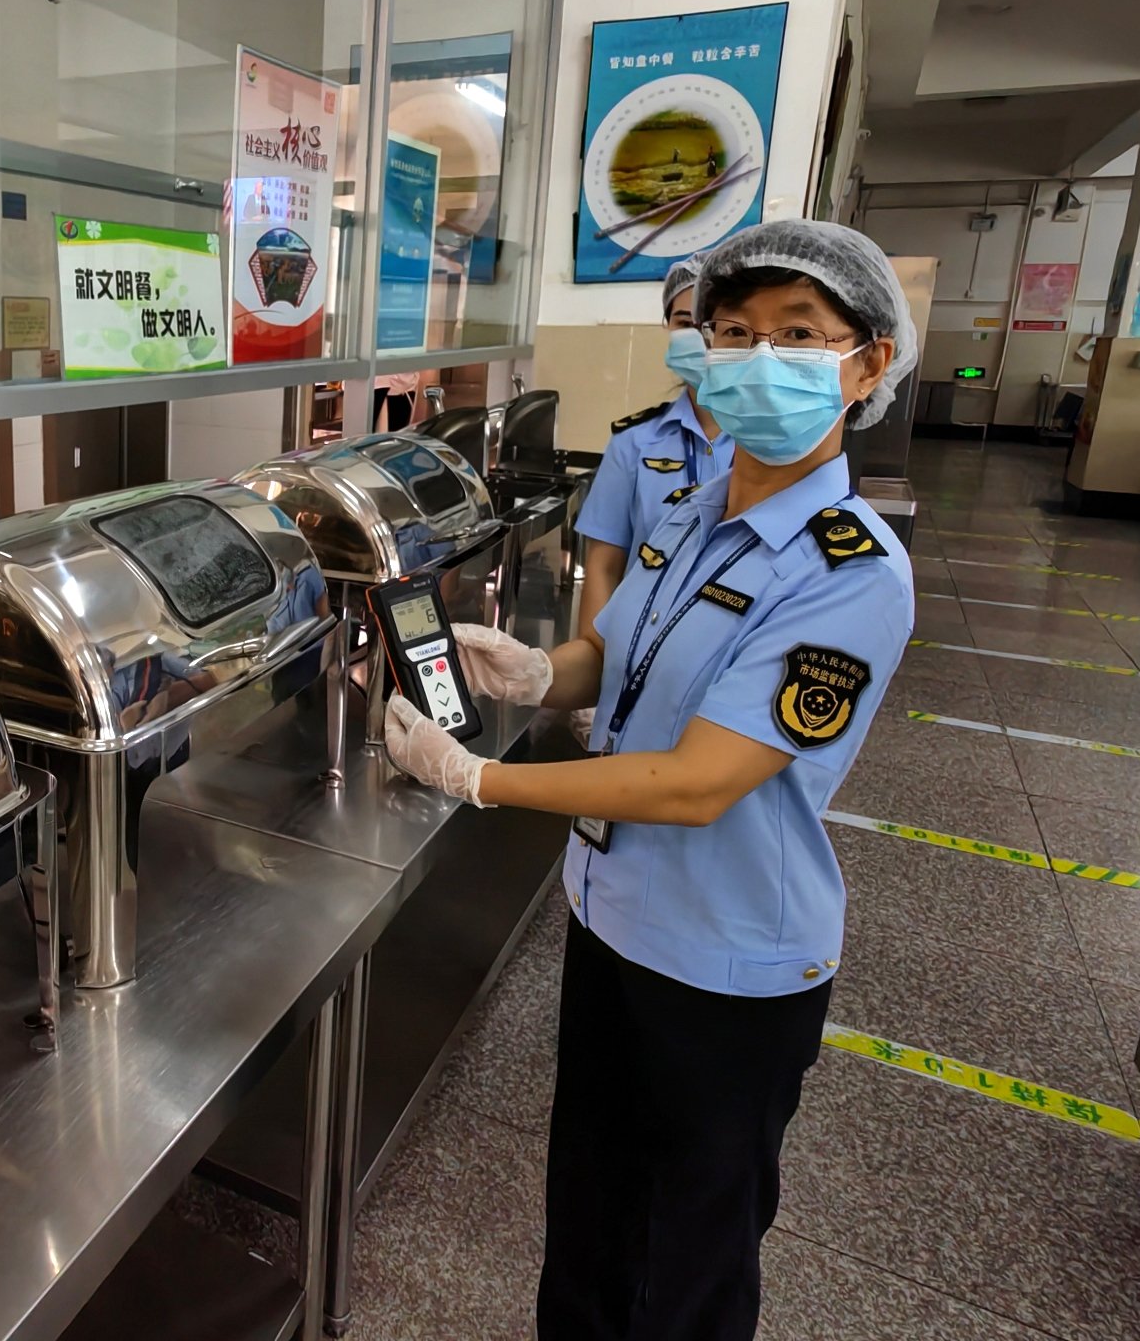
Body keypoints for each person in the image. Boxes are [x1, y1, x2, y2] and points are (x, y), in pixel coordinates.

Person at [382, 220, 919, 1341]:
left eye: (797, 335)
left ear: (865, 363)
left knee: (690, 1252)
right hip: (613, 917)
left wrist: (476, 779)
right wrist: (536, 673)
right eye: (733, 331)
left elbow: (696, 782)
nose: (754, 355)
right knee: (588, 1207)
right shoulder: (695, 501)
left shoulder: (847, 572)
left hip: (728, 963)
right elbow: (611, 648)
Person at [572, 255, 733, 650]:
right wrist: (599, 664)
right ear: (667, 328)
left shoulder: (773, 446)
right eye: (685, 323)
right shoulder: (635, 442)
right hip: (639, 648)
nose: (700, 338)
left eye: (714, 325)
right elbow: (603, 565)